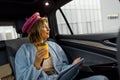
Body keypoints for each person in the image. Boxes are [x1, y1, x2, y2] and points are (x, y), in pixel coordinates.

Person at [15, 12, 108, 80]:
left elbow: (62, 68)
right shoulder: (24, 51)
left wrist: (73, 66)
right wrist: (36, 64)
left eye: (48, 26)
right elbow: (22, 78)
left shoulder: (54, 46)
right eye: (44, 26)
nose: (49, 28)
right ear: (35, 30)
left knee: (101, 78)